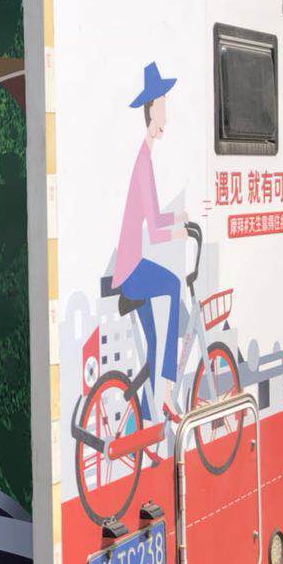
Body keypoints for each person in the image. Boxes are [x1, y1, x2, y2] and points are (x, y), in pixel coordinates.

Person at [112, 62, 188, 423]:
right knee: (173, 285)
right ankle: (168, 394)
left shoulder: (144, 157)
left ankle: (145, 411)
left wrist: (178, 218)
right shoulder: (143, 161)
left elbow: (155, 218)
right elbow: (155, 232)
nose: (166, 111)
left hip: (128, 266)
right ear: (153, 108)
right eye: (164, 103)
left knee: (155, 341)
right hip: (131, 269)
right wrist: (178, 232)